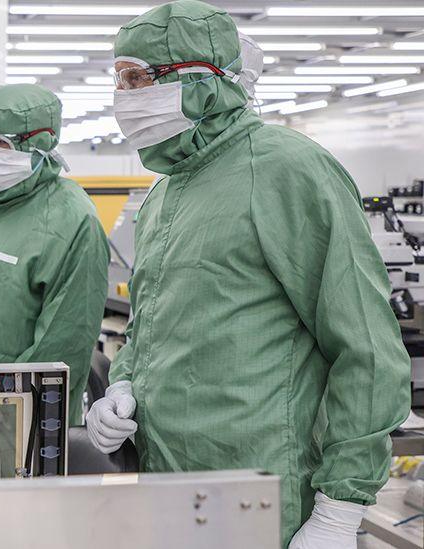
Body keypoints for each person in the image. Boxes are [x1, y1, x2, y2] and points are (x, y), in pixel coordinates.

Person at [85, 2, 411, 548]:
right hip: (170, 482)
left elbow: (368, 350)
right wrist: (124, 384)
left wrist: (339, 509)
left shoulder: (287, 169)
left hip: (265, 493)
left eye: (138, 77)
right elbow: (153, 320)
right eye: (118, 78)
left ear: (201, 81)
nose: (124, 96)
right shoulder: (167, 191)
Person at [0, 84, 110, 426]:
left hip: (22, 418)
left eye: (0, 143)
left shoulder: (72, 220)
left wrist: (0, 407)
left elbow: (64, 341)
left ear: (38, 144)